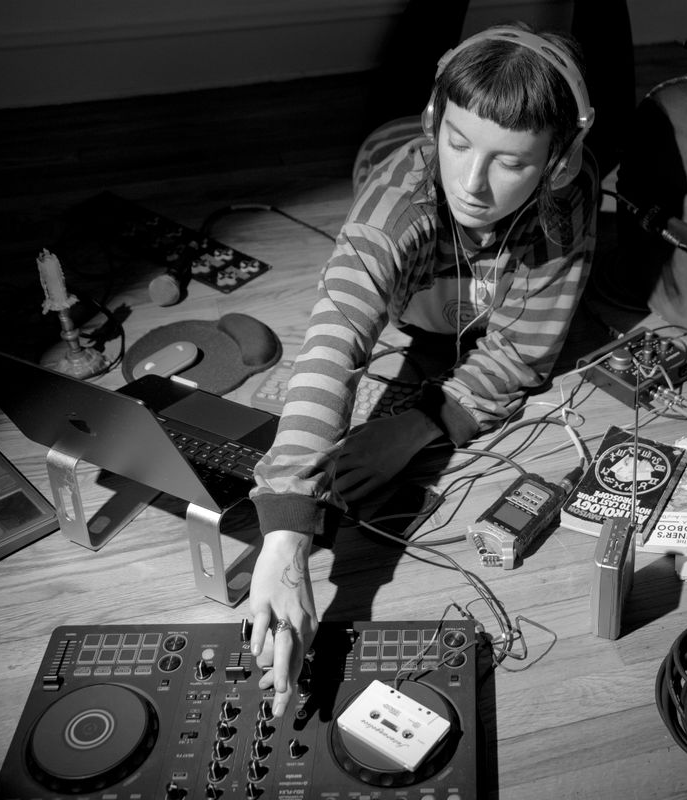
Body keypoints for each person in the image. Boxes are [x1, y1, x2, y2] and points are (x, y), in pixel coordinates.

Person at [246, 20, 604, 718]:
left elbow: (523, 354)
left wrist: (415, 426)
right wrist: (286, 537)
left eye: (511, 162)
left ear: (559, 162)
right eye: (458, 142)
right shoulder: (392, 213)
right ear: (436, 122)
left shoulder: (572, 190)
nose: (472, 183)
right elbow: (333, 342)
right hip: (384, 152)